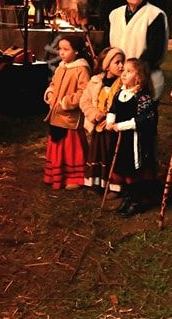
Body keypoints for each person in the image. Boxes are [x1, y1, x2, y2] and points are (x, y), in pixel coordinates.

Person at [107, 58, 160, 217]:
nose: (124, 74)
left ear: (139, 77)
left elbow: (143, 120)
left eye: (129, 72)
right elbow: (113, 109)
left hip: (135, 139)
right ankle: (127, 197)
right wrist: (110, 121)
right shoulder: (120, 93)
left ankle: (136, 200)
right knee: (122, 166)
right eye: (124, 71)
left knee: (133, 169)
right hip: (120, 139)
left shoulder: (142, 98)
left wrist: (120, 126)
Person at [108, 0, 168, 100]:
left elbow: (155, 49)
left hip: (144, 76)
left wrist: (136, 71)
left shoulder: (154, 15)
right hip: (119, 75)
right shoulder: (115, 15)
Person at [43, 35, 93, 190]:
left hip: (70, 116)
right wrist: (50, 93)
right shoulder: (61, 66)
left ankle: (75, 177)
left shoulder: (81, 69)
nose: (62, 53)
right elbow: (53, 83)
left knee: (72, 147)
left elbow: (84, 91)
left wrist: (66, 102)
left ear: (76, 51)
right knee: (57, 144)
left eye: (66, 49)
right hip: (56, 114)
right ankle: (57, 174)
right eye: (60, 49)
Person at [82, 47, 125, 192]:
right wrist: (94, 114)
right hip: (98, 126)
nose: (121, 66)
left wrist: (112, 118)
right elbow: (85, 100)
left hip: (113, 127)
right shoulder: (95, 82)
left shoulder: (123, 84)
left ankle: (113, 186)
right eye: (117, 62)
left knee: (112, 155)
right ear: (106, 65)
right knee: (98, 153)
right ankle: (98, 182)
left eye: (123, 62)